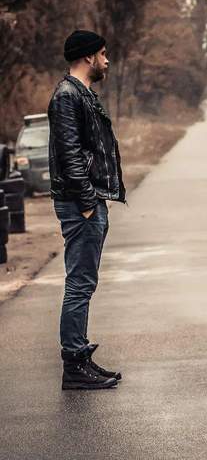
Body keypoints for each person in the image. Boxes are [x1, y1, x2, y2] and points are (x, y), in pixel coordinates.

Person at [48, 30, 126, 390]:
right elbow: (69, 154)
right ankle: (74, 365)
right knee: (79, 284)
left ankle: (79, 356)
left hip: (89, 200)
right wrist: (86, 204)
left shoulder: (81, 93)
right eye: (103, 54)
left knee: (84, 282)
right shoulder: (67, 96)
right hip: (81, 203)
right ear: (88, 57)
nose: (107, 61)